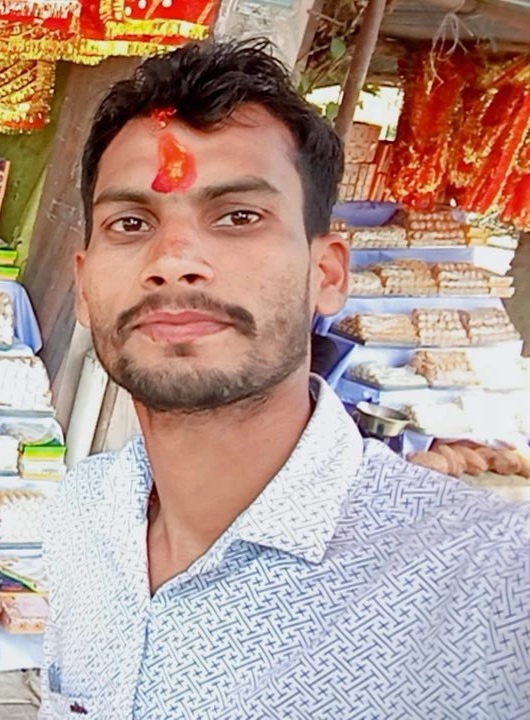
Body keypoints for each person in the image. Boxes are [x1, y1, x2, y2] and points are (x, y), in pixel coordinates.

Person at [40, 39, 529, 720]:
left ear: (326, 274)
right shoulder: (81, 514)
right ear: (85, 288)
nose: (173, 259)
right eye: (131, 222)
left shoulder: (495, 583)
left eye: (239, 217)